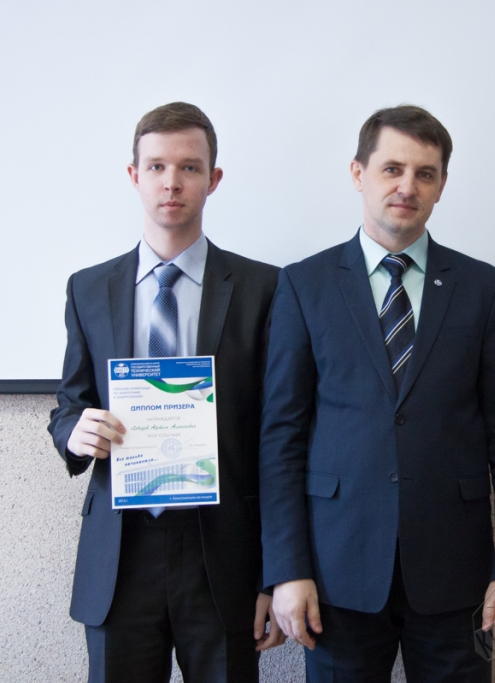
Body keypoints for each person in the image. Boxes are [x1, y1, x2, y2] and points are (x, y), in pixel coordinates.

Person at [259, 105, 495, 682]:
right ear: (358, 173)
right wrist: (286, 569)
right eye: (392, 169)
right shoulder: (304, 285)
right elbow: (281, 438)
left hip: (457, 576)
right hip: (335, 575)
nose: (407, 187)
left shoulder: (483, 288)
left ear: (441, 184)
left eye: (425, 173)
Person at [48, 102, 284, 683]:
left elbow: (280, 435)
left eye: (189, 167)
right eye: (156, 166)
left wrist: (275, 573)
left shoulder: (265, 288)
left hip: (223, 554)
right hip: (121, 554)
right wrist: (75, 433)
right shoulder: (88, 288)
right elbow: (69, 405)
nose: (171, 182)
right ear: (134, 176)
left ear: (213, 179)